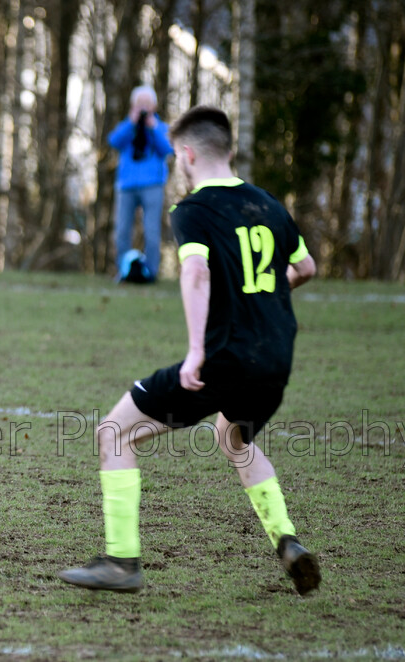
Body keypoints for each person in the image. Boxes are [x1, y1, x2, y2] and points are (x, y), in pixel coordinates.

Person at [59, 106, 320, 595]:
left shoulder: (194, 210)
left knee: (114, 433)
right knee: (234, 438)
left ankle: (121, 561)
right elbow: (304, 268)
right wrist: (260, 296)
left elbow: (195, 273)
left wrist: (197, 351)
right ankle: (287, 541)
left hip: (224, 357)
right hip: (275, 359)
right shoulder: (268, 205)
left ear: (187, 154)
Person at [108, 85, 174, 283]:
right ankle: (123, 270)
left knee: (151, 230)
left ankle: (151, 272)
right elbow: (113, 141)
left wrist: (153, 128)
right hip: (126, 185)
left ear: (154, 105)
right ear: (133, 105)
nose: (144, 107)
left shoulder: (161, 128)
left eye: (147, 103)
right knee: (122, 230)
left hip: (153, 184)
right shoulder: (127, 126)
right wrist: (131, 123)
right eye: (140, 103)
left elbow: (167, 150)